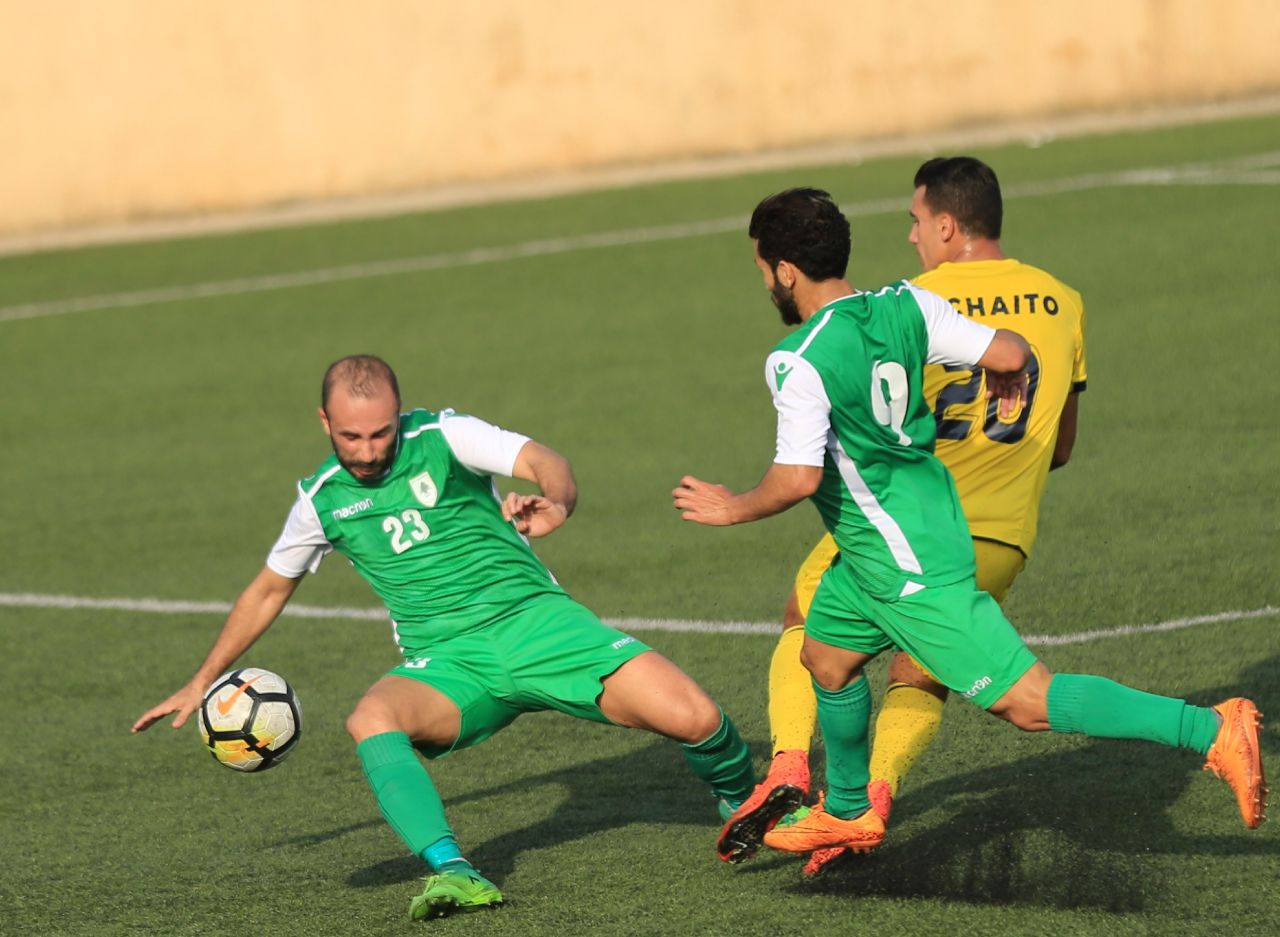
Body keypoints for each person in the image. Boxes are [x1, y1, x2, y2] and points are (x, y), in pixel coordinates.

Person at [673, 188, 1266, 870]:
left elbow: (798, 478)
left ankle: (1213, 727)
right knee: (826, 654)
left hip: (904, 563)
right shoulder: (908, 303)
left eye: (761, 268)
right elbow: (1011, 351)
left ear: (784, 271)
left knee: (1027, 702)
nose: (764, 281)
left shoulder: (796, 359)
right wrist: (1014, 374)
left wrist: (732, 505)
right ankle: (844, 809)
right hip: (887, 548)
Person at [134, 355, 758, 921]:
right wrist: (201, 678)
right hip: (449, 665)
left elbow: (546, 461)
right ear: (324, 421)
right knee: (371, 718)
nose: (370, 449)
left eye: (381, 433)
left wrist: (558, 503)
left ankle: (738, 802)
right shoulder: (321, 501)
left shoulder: (444, 435)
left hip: (539, 626)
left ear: (397, 415)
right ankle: (455, 873)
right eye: (352, 435)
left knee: (698, 717)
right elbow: (268, 589)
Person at [761, 157, 1088, 874]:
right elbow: (1061, 444)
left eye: (914, 222)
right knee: (923, 672)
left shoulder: (910, 299)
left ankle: (792, 764)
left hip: (906, 521)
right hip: (1006, 532)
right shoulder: (1064, 299)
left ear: (946, 224)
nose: (911, 238)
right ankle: (871, 796)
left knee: (806, 624)